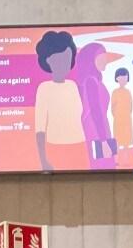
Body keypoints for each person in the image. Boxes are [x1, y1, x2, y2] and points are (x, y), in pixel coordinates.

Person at [33, 30, 85, 171]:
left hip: (80, 147)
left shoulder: (74, 86)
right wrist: (43, 160)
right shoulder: (44, 89)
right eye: (59, 59)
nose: (64, 64)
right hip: (55, 149)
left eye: (67, 59)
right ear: (48, 61)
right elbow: (40, 128)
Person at [73, 42, 115, 169]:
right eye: (102, 57)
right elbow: (96, 112)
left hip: (100, 129)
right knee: (103, 167)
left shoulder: (95, 80)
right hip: (96, 131)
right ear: (92, 60)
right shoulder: (91, 81)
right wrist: (103, 141)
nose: (106, 60)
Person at [110, 67, 133, 155]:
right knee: (118, 141)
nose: (124, 79)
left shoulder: (128, 92)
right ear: (117, 78)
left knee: (126, 142)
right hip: (118, 120)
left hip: (127, 120)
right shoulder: (115, 92)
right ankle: (117, 159)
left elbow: (131, 107)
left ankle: (126, 159)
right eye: (121, 77)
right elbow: (112, 107)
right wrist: (117, 116)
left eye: (125, 77)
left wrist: (126, 115)